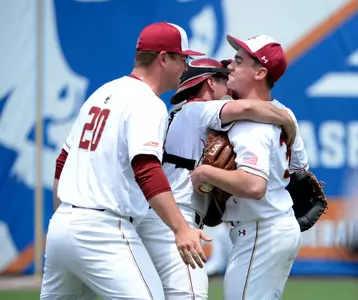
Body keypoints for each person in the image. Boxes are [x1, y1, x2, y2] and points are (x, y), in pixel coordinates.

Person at [40, 22, 211, 300]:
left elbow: (63, 161)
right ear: (163, 58)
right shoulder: (147, 102)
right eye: (182, 58)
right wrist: (181, 228)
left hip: (62, 226)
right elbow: (146, 169)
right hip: (103, 230)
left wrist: (66, 217)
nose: (186, 66)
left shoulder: (101, 93)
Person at [136, 57, 299, 300]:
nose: (229, 82)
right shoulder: (198, 109)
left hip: (161, 216)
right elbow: (248, 107)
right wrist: (287, 119)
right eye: (223, 78)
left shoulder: (179, 113)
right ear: (210, 83)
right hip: (174, 218)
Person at [191, 34, 309, 300]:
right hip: (276, 227)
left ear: (260, 72)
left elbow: (255, 186)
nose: (230, 66)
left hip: (261, 230)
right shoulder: (283, 113)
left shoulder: (249, 125)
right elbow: (301, 169)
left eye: (239, 60)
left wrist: (206, 172)